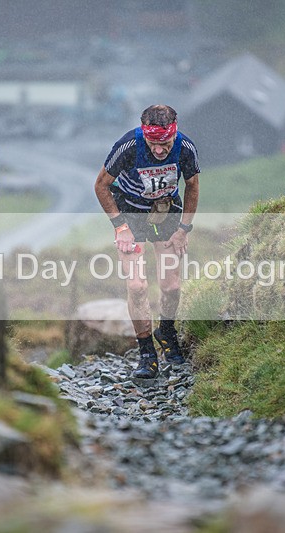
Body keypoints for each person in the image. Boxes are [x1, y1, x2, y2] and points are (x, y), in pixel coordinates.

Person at [94, 104, 200, 379]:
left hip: (166, 216)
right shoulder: (129, 145)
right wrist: (120, 227)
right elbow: (101, 185)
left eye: (165, 143)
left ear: (173, 135)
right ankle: (147, 354)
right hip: (131, 216)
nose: (159, 150)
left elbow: (193, 186)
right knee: (138, 286)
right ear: (145, 134)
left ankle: (166, 332)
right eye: (153, 143)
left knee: (172, 286)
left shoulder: (185, 147)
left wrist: (184, 229)